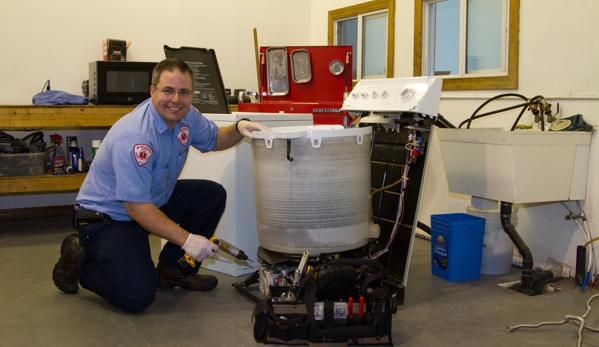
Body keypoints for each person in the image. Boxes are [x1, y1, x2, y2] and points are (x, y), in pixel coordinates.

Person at [51, 58, 269, 313]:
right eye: (168, 90)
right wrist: (187, 240)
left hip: (151, 201)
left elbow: (215, 139)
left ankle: (171, 270)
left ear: (191, 94)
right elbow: (136, 207)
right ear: (152, 91)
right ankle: (77, 254)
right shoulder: (135, 136)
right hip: (109, 217)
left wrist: (240, 127)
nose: (176, 99)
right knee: (136, 297)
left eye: (184, 92)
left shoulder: (187, 116)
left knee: (210, 195)